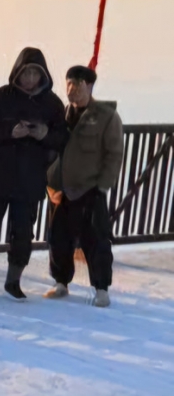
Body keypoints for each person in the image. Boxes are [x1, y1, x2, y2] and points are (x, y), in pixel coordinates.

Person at [0, 47, 67, 298]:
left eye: (35, 73)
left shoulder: (53, 105)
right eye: (26, 73)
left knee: (23, 232)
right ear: (17, 72)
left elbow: (63, 138)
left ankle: (14, 281)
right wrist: (9, 132)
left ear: (43, 76)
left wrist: (44, 134)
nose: (30, 78)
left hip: (30, 180)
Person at [45, 65, 123, 308]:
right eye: (69, 83)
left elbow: (114, 154)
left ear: (89, 86)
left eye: (77, 84)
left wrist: (102, 186)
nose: (72, 89)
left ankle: (101, 288)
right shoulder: (61, 116)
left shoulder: (105, 116)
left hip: (90, 188)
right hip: (61, 190)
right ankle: (61, 282)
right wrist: (50, 184)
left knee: (96, 239)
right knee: (58, 237)